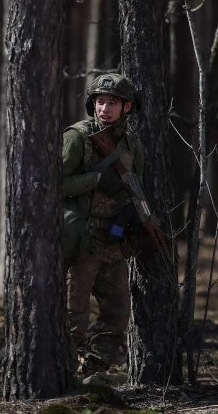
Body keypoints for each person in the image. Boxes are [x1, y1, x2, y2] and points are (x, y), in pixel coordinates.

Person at [62, 73, 144, 384]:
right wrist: (95, 180)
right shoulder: (77, 137)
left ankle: (93, 369)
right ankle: (64, 375)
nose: (105, 108)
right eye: (100, 101)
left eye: (112, 102)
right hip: (81, 239)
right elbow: (55, 182)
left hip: (114, 239)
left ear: (126, 107)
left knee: (118, 313)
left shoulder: (132, 143)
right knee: (74, 319)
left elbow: (136, 188)